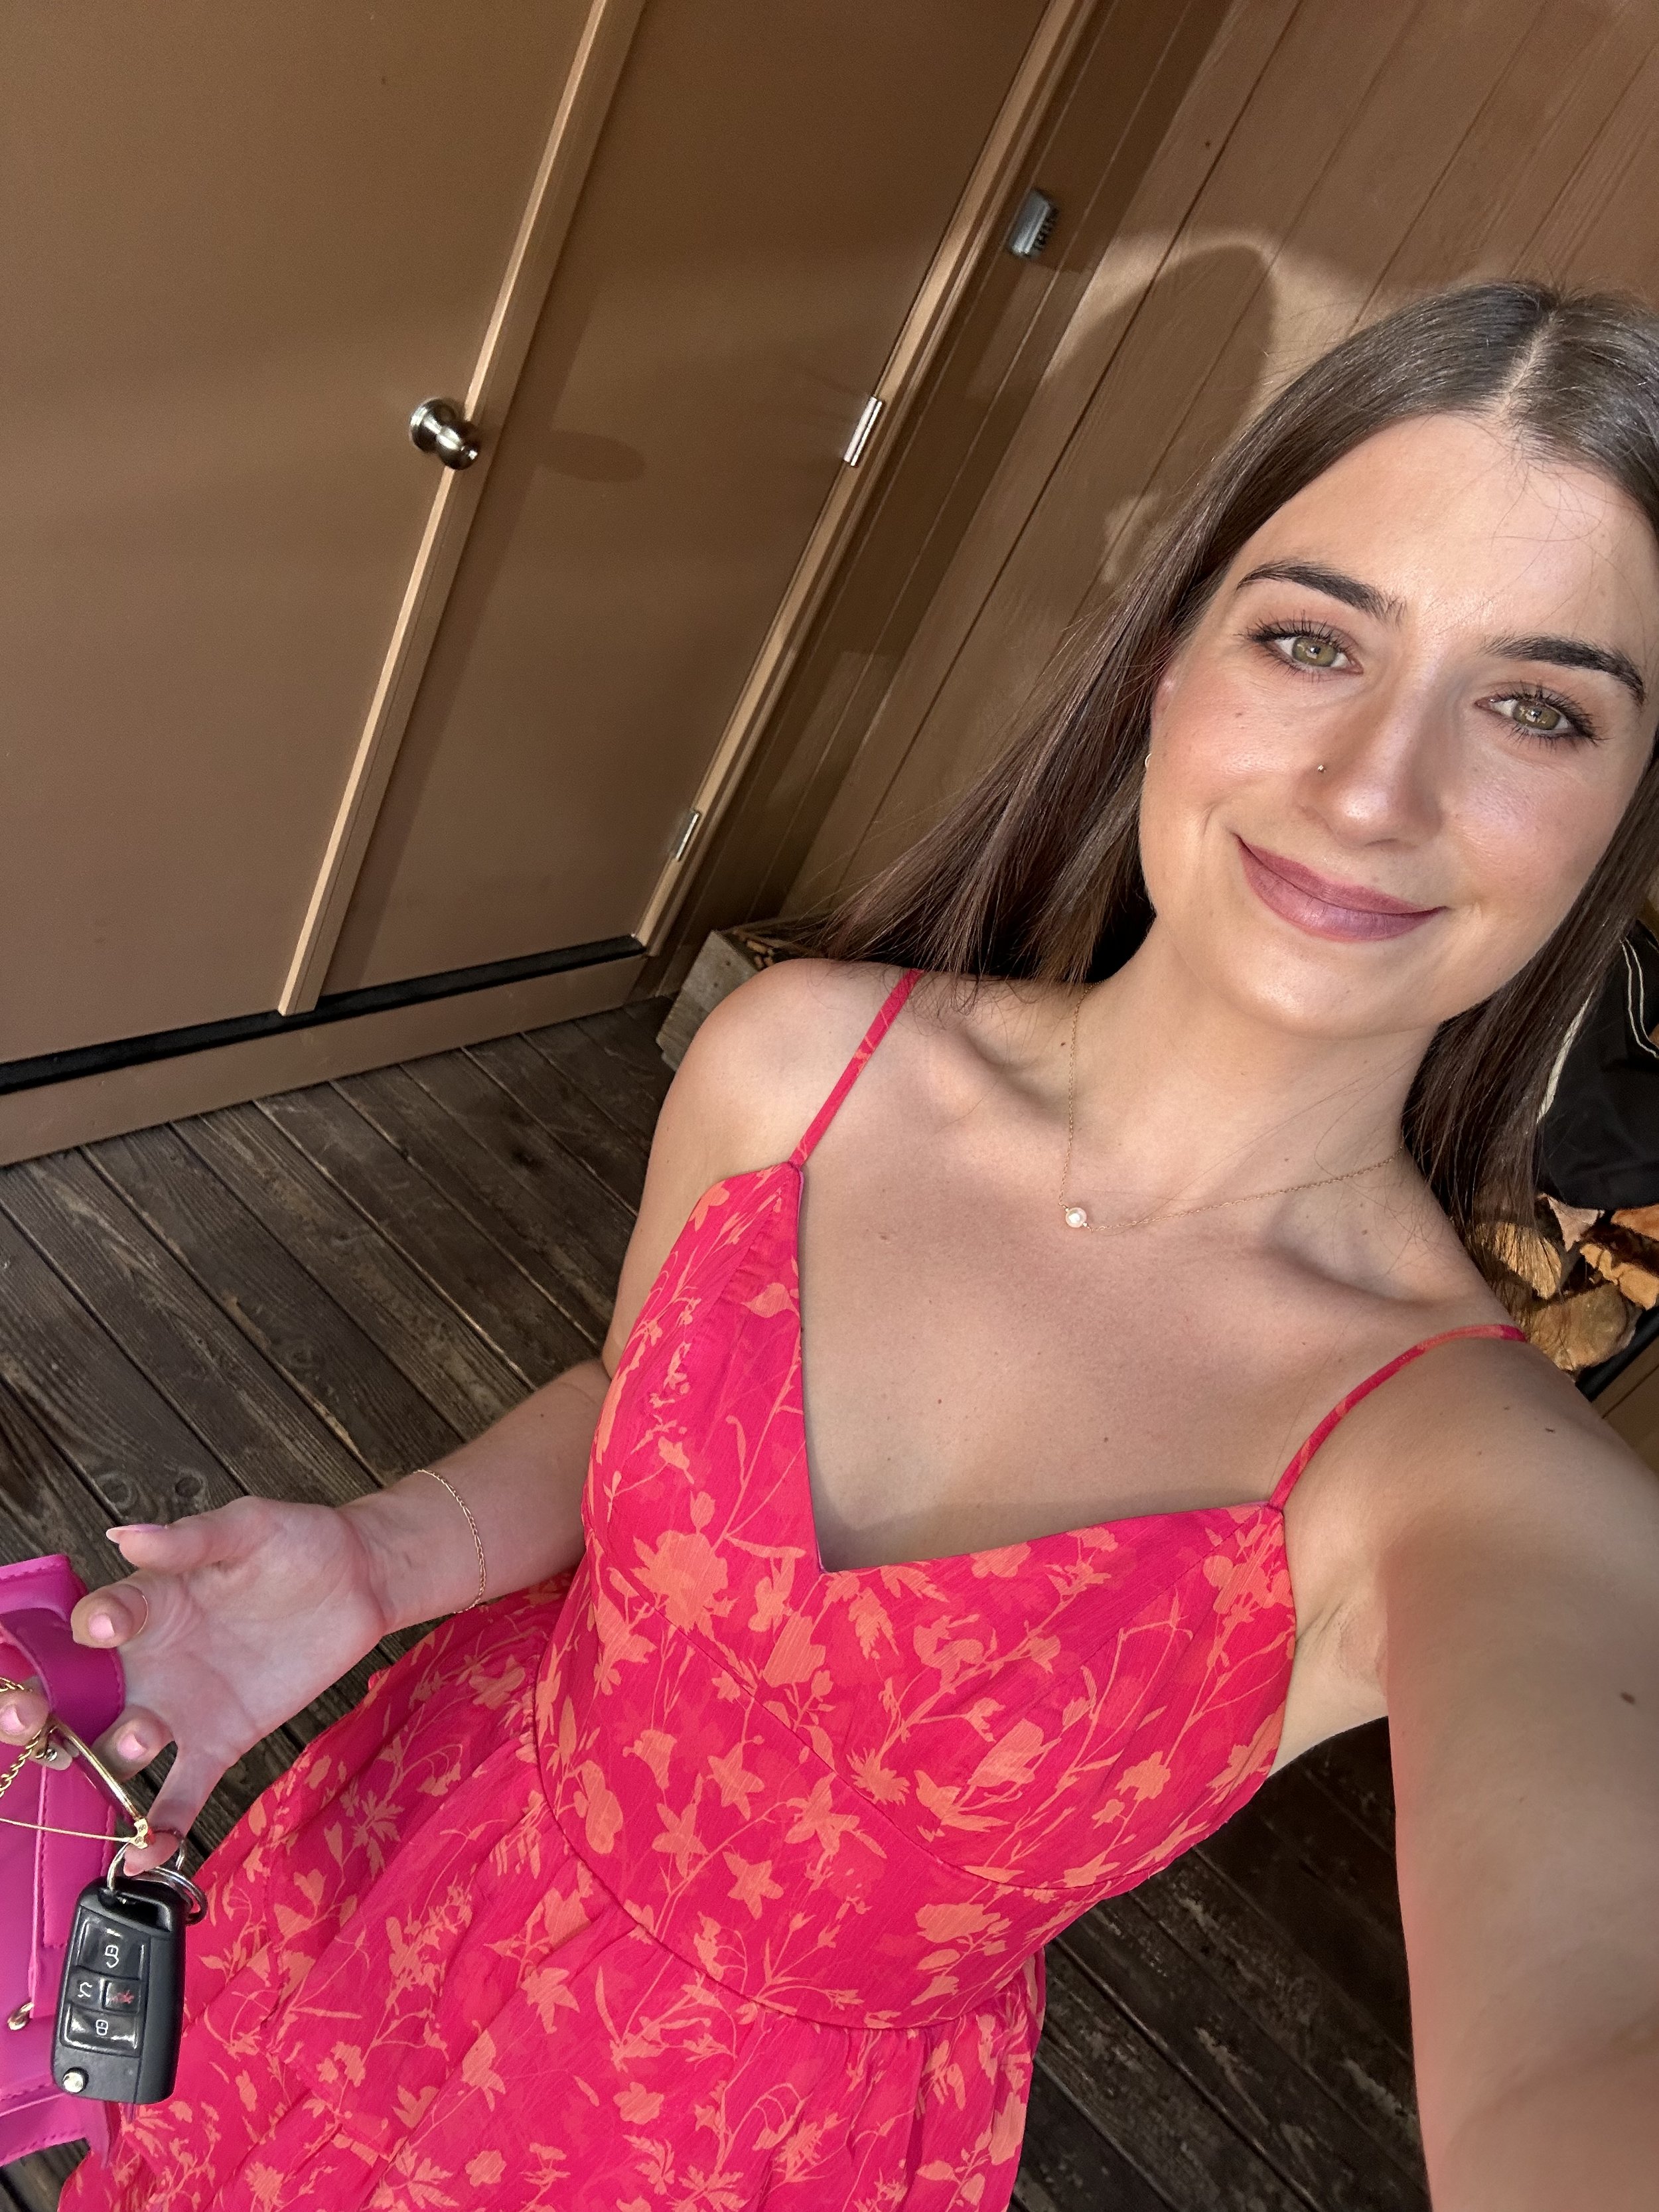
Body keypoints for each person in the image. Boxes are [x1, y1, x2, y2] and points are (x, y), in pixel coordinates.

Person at [7, 279, 1658, 2211]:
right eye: (1309, 642)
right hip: (411, 1870)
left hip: (749, 2157)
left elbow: (1582, 2039)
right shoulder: (803, 1062)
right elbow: (639, 1395)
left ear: (1625, 813)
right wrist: (379, 1558)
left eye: (1537, 706)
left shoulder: (1465, 1480)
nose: (1376, 787)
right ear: (1166, 665)